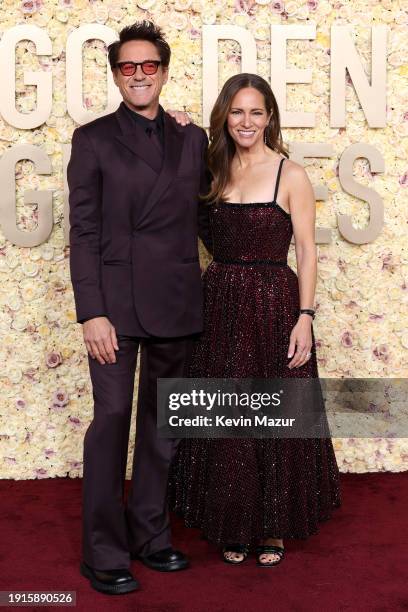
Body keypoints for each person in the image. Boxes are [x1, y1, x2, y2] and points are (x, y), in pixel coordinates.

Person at [168, 73, 342, 567]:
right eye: (237, 111)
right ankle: (232, 520)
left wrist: (305, 315)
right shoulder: (212, 171)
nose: (246, 121)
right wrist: (179, 123)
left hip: (275, 302)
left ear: (269, 118)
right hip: (219, 302)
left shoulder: (292, 175)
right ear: (225, 115)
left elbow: (307, 252)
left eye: (256, 112)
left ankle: (272, 527)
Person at [67, 21, 212, 594]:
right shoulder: (94, 139)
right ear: (115, 75)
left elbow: (219, 199)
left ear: (164, 71)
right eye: (128, 67)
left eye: (149, 65)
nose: (139, 75)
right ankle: (102, 550)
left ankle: (151, 536)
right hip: (115, 308)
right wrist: (90, 312)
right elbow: (82, 231)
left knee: (162, 426)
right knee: (110, 421)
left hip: (175, 299)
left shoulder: (192, 137)